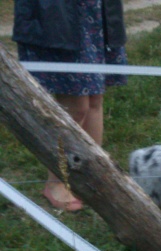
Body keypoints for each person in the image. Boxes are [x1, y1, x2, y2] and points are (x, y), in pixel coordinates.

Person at [12, 0, 128, 211]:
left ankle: (95, 178)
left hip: (95, 10)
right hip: (57, 13)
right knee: (76, 105)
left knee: (95, 98)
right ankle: (56, 181)